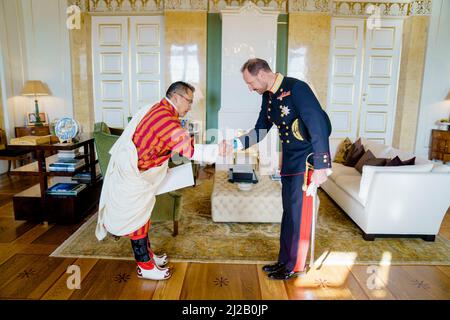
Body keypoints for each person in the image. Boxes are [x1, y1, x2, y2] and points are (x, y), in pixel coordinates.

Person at [219, 58, 332, 280]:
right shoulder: (268, 97)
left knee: (299, 215)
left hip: (307, 161)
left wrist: (322, 164)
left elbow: (317, 122)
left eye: (250, 83)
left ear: (261, 74)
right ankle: (284, 261)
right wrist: (234, 144)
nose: (250, 88)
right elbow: (261, 129)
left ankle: (295, 266)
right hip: (290, 160)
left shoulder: (297, 88)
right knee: (289, 213)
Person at [96, 81, 197, 281]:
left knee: (144, 217)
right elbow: (191, 150)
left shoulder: (157, 107)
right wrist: (222, 151)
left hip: (142, 176)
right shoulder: (165, 120)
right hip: (135, 177)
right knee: (138, 222)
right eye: (189, 101)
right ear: (177, 97)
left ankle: (148, 257)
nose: (190, 106)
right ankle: (144, 266)